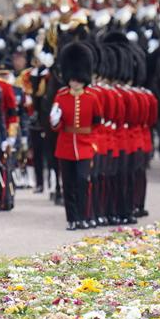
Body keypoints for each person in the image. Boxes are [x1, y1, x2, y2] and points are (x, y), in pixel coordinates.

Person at [50, 42, 100, 230]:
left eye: (78, 78)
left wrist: (94, 144)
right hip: (65, 146)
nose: (74, 81)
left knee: (82, 181)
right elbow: (57, 126)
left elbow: (97, 124)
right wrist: (55, 121)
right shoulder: (61, 96)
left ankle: (84, 216)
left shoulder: (92, 98)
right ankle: (72, 218)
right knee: (68, 185)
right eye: (72, 78)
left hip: (86, 145)